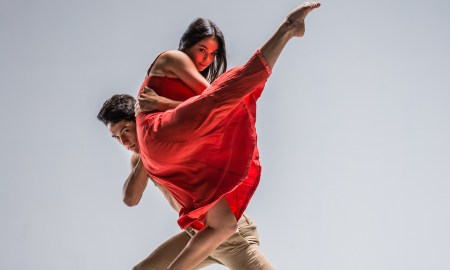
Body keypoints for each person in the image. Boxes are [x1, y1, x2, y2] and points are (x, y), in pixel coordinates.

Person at [140, 2, 320, 269]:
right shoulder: (172, 58)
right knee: (237, 88)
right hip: (160, 134)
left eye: (212, 54)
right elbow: (211, 95)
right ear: (186, 44)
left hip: (171, 157)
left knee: (222, 225)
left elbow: (206, 104)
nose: (205, 59)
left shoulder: (182, 92)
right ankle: (287, 28)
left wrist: (166, 103)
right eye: (201, 49)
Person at [97, 94, 275, 269]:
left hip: (230, 235)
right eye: (116, 137)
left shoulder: (170, 139)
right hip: (197, 234)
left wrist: (153, 129)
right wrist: (146, 149)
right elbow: (131, 198)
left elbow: (202, 110)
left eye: (126, 130)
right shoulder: (139, 161)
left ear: (140, 121)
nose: (124, 142)